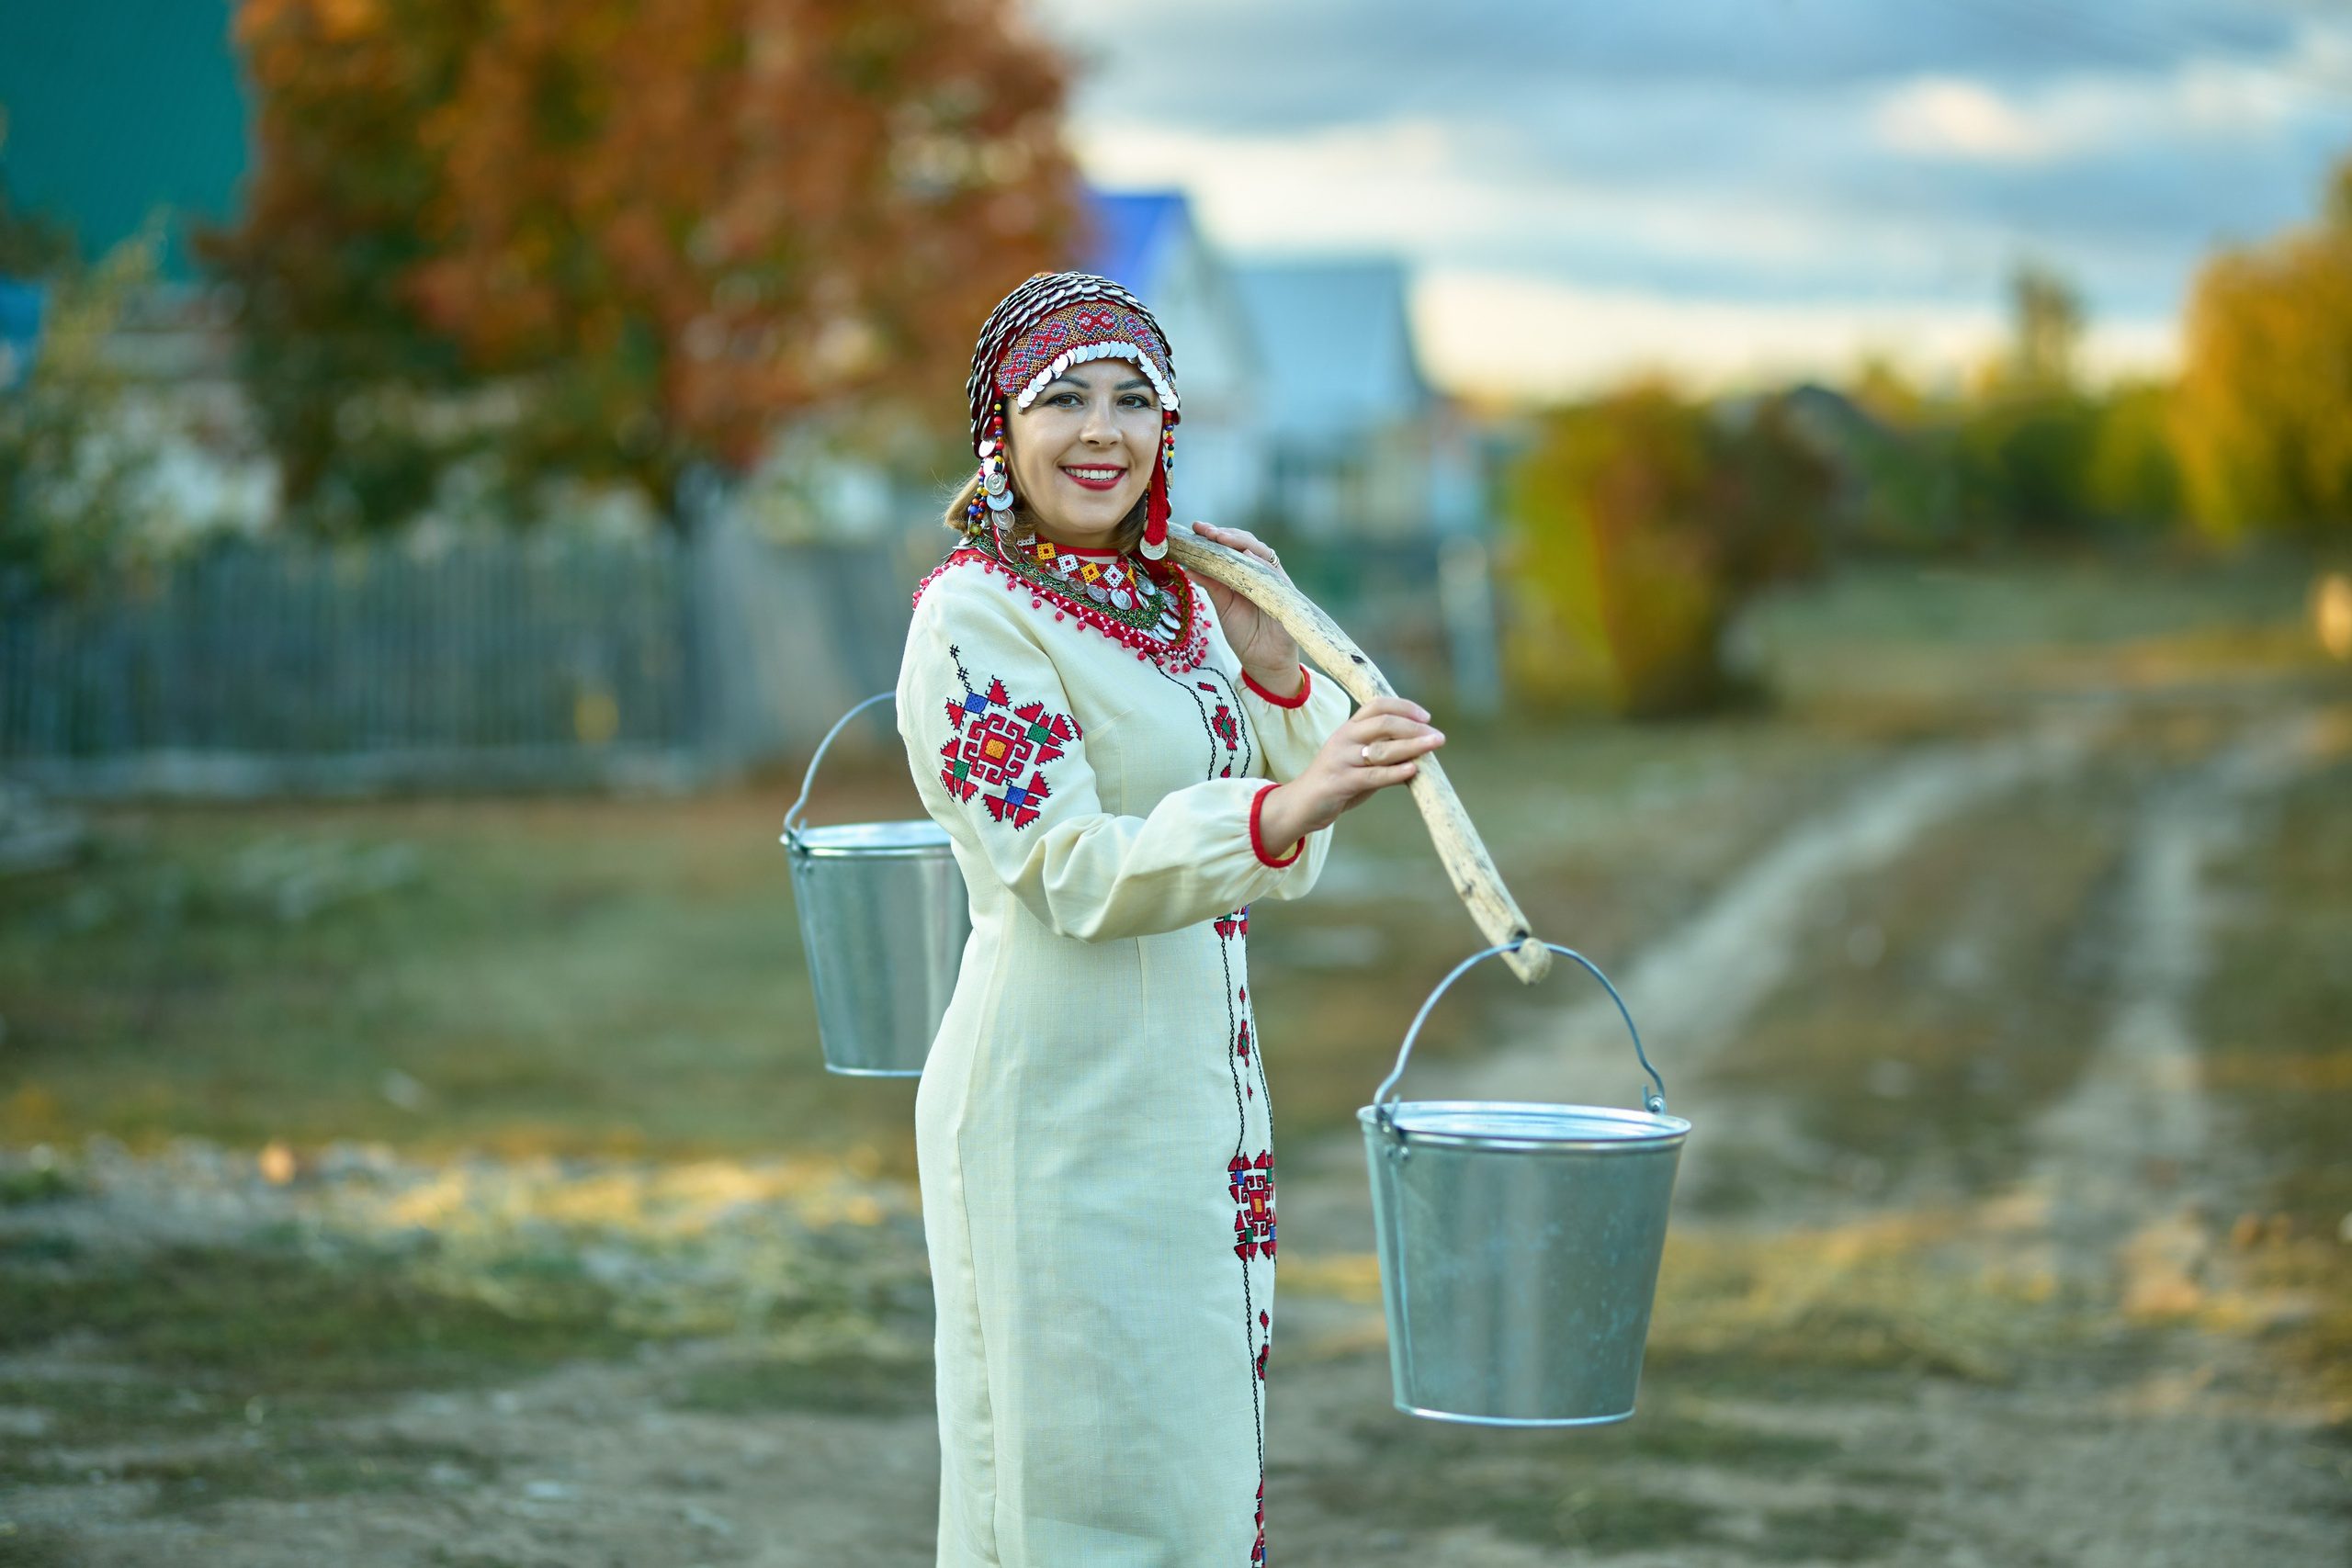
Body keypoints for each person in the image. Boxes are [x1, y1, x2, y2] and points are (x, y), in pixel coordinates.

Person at [896, 271, 1444, 1566]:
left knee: (1187, 1465)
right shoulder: (972, 616)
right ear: (1000, 432)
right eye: (1063, 400)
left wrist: (1267, 661)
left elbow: (1284, 837)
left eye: (1133, 400)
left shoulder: (1179, 603)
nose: (1102, 431)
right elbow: (1069, 869)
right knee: (1072, 1484)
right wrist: (1282, 801)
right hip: (1055, 1106)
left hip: (1190, 1098)